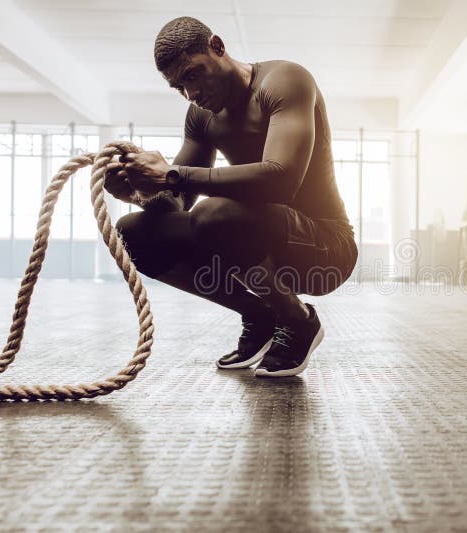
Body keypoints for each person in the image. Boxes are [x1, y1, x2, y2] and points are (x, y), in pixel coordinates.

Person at [104, 16, 357, 378]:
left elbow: (280, 180)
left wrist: (171, 175)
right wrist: (142, 194)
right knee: (133, 231)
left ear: (218, 47)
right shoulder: (201, 116)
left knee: (215, 214)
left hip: (327, 250)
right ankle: (258, 313)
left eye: (193, 75)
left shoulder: (284, 81)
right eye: (178, 87)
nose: (190, 93)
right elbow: (180, 207)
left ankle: (298, 321)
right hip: (257, 242)